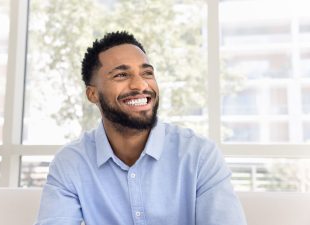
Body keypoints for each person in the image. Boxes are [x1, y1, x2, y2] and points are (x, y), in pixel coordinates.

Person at [35, 31, 247, 225]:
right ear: (92, 94)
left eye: (147, 73)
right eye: (121, 75)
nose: (140, 85)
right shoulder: (71, 163)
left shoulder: (199, 155)